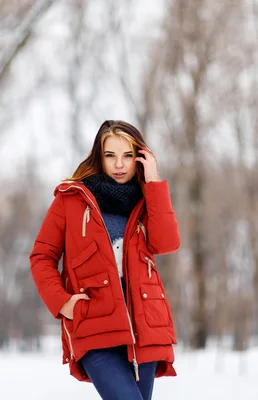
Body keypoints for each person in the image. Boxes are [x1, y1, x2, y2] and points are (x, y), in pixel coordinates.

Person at [29, 120, 180, 400]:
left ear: (139, 158)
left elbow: (166, 243)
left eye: (127, 156)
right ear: (100, 157)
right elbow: (42, 256)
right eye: (111, 155)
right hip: (95, 326)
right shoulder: (71, 199)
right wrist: (63, 303)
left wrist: (155, 184)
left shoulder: (148, 200)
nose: (119, 165)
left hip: (144, 328)